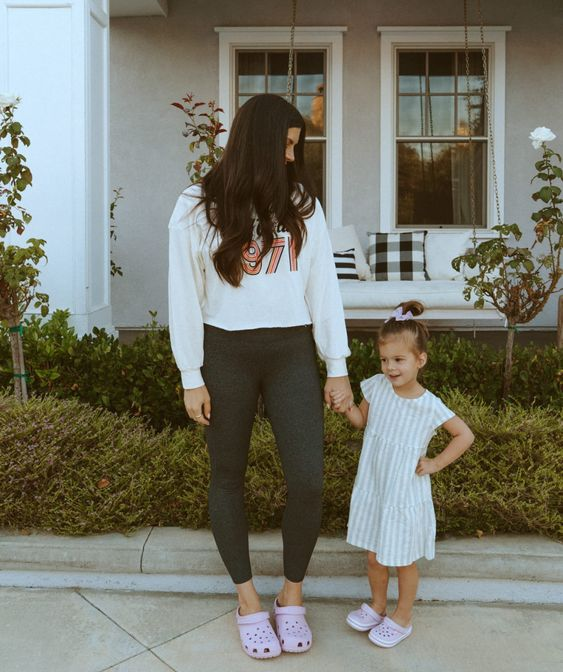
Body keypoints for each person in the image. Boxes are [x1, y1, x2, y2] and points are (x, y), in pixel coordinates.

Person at [168, 93, 353, 659]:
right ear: (259, 142)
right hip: (225, 354)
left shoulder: (302, 203)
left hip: (292, 350)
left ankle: (290, 595)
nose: (294, 158)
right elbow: (183, 292)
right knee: (228, 476)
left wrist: (337, 365)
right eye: (289, 145)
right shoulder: (198, 205)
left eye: (298, 146)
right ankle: (247, 600)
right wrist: (190, 373)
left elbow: (324, 288)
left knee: (309, 480)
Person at [330, 301, 474, 648]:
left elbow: (464, 435)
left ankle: (403, 616)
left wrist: (435, 463)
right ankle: (378, 606)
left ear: (419, 360)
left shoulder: (429, 405)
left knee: (402, 560)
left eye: (399, 360)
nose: (390, 367)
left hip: (404, 494)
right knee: (374, 555)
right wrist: (347, 406)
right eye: (385, 360)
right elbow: (362, 421)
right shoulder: (377, 387)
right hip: (376, 487)